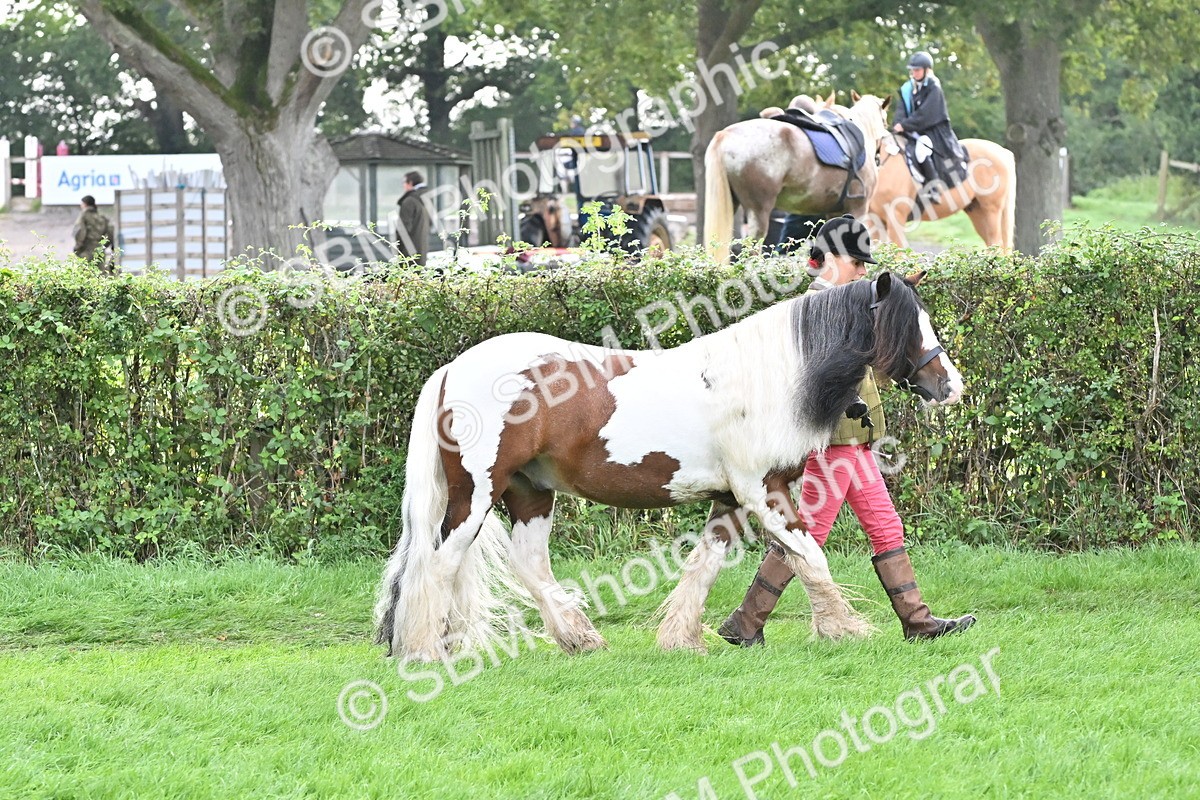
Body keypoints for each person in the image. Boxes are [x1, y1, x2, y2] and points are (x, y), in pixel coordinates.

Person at [717, 214, 977, 645]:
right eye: (856, 262)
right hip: (829, 443)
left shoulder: (849, 301)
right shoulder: (815, 306)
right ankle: (746, 622)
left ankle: (918, 622)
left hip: (856, 442)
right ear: (832, 258)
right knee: (808, 532)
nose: (862, 271)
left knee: (886, 528)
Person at [892, 51, 967, 207]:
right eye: (912, 70)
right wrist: (897, 123)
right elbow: (900, 109)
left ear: (927, 70)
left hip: (932, 130)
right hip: (912, 130)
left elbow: (925, 114)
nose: (914, 73)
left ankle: (933, 188)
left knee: (921, 149)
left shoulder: (934, 87)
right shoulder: (907, 88)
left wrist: (904, 125)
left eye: (917, 70)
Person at [396, 170, 432, 268]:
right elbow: (430, 223)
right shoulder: (425, 199)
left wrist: (400, 251)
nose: (403, 185)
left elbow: (403, 230)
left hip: (408, 254)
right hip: (422, 249)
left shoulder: (409, 201)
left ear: (410, 183)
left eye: (404, 182)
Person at [72, 195, 116, 272]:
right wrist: (104, 245)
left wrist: (77, 247)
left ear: (85, 204)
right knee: (100, 276)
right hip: (99, 250)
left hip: (86, 250)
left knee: (84, 275)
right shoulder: (102, 217)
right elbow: (110, 233)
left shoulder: (84, 216)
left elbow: (80, 232)